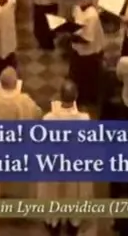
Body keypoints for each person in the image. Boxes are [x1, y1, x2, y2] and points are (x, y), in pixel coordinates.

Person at [38, 82, 94, 234]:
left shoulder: (48, 118)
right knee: (73, 194)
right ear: (75, 97)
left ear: (60, 97)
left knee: (54, 194)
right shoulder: (84, 119)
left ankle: (54, 223)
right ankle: (72, 222)